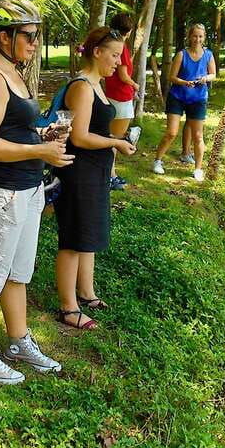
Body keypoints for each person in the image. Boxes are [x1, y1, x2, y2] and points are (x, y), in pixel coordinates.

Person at [0, 0, 73, 384]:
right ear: (4, 37)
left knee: (18, 274)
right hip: (4, 191)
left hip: (29, 189)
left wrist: (42, 136)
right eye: (28, 36)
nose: (34, 43)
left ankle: (18, 341)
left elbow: (14, 128)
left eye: (37, 36)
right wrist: (38, 150)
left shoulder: (17, 73)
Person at [54, 27, 136, 330]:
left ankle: (86, 294)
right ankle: (68, 307)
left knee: (87, 236)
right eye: (114, 55)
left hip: (96, 171)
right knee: (74, 238)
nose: (118, 61)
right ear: (96, 52)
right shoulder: (83, 87)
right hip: (79, 171)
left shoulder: (98, 85)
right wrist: (115, 142)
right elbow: (81, 136)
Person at [152, 23, 216, 181]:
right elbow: (171, 77)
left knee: (198, 136)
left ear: (204, 37)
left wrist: (205, 78)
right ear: (190, 37)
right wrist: (184, 82)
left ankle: (198, 169)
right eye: (195, 36)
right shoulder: (181, 54)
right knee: (171, 132)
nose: (197, 39)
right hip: (178, 96)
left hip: (198, 98)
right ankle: (157, 161)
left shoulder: (208, 55)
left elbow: (213, 74)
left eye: (200, 36)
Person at [104, 12, 139, 191]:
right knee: (115, 139)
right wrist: (135, 85)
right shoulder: (122, 48)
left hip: (111, 94)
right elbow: (124, 75)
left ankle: (110, 174)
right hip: (121, 96)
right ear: (129, 30)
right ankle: (111, 176)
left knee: (111, 137)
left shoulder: (110, 44)